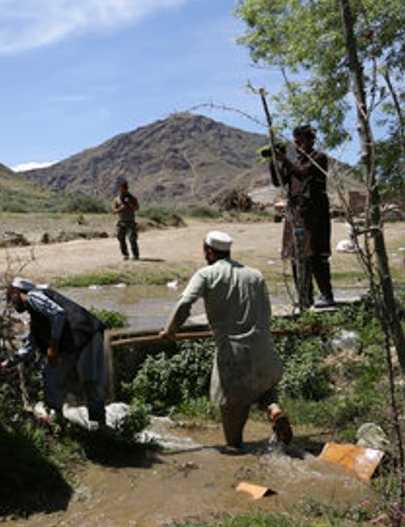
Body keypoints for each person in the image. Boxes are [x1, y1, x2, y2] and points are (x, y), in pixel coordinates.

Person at [159, 231, 293, 450]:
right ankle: (274, 409)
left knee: (231, 403)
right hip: (262, 346)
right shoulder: (255, 275)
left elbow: (185, 303)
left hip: (232, 350)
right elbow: (265, 311)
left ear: (209, 252)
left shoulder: (206, 274)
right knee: (261, 385)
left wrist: (170, 330)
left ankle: (235, 447)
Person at [3, 277, 108, 426]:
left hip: (85, 335)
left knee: (89, 381)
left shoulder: (33, 296)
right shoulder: (36, 317)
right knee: (55, 375)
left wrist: (53, 346)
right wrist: (6, 363)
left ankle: (97, 427)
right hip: (82, 338)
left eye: (11, 299)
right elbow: (29, 347)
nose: (12, 304)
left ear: (16, 292)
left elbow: (58, 314)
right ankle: (61, 420)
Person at [271, 124, 333, 308]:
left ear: (310, 140)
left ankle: (326, 295)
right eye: (295, 142)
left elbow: (305, 174)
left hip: (314, 215)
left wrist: (287, 162)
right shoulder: (294, 163)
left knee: (315, 255)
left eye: (301, 142)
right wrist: (274, 162)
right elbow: (278, 182)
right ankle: (304, 297)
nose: (298, 146)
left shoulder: (318, 159)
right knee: (296, 256)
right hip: (296, 213)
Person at [112, 177, 140, 260]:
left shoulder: (132, 198)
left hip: (131, 221)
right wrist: (121, 208)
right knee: (121, 238)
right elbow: (114, 211)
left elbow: (136, 208)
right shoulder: (117, 199)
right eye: (121, 188)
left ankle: (135, 255)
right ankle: (125, 254)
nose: (123, 190)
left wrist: (130, 204)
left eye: (124, 188)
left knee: (132, 239)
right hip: (121, 222)